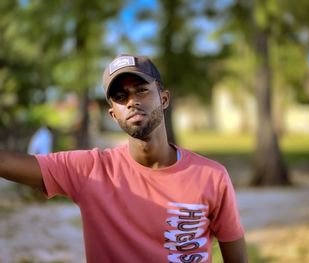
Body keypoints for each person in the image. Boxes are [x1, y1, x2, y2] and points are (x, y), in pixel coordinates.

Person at [0, 54, 247, 263]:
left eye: (141, 90)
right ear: (113, 114)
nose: (132, 102)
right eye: (120, 97)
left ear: (164, 99)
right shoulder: (90, 171)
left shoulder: (212, 176)